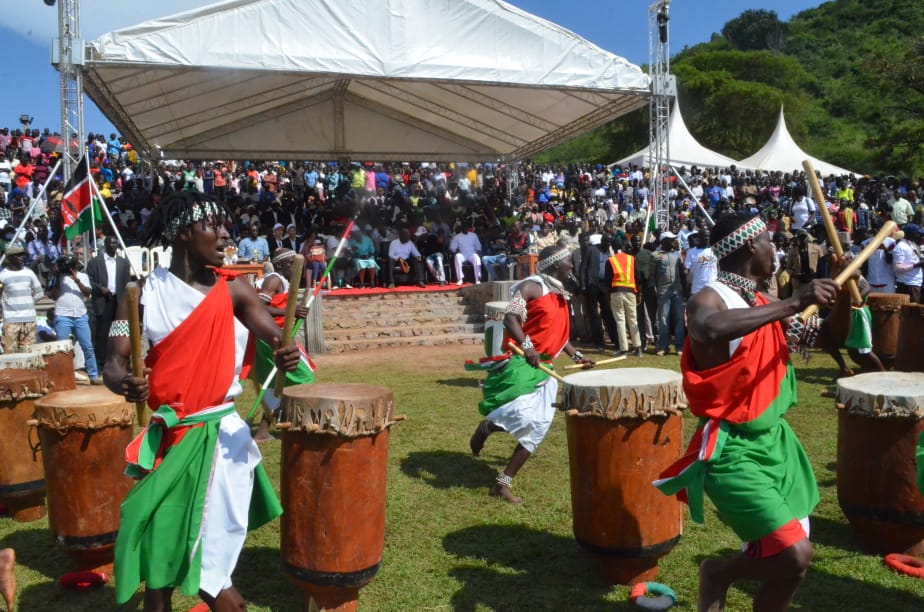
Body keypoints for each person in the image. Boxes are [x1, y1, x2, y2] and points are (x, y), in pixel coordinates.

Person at [102, 191, 301, 611]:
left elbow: (274, 337)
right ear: (182, 234)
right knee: (159, 549)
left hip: (221, 443)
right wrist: (126, 385)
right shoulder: (139, 295)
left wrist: (286, 351)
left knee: (210, 565)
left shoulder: (236, 292)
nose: (226, 234)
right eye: (213, 226)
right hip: (170, 441)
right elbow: (112, 366)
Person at [655, 212, 838, 612]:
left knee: (792, 569)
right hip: (731, 450)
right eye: (770, 241)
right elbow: (708, 328)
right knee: (795, 554)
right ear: (749, 246)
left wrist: (840, 295)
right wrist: (793, 302)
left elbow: (823, 335)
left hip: (777, 444)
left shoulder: (762, 301)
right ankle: (719, 573)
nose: (776, 249)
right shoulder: (708, 298)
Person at [468, 245, 594, 504]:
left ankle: (503, 483)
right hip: (521, 362)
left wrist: (578, 357)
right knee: (522, 416)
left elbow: (559, 334)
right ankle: (489, 426)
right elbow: (511, 318)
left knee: (538, 427)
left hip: (544, 368)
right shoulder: (531, 286)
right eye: (568, 262)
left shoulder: (560, 293)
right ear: (556, 264)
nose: (572, 266)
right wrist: (528, 348)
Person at [252, 248, 316, 442]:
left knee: (277, 384)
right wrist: (290, 312)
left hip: (278, 336)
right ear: (278, 265)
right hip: (270, 338)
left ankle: (264, 430)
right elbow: (257, 308)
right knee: (304, 378)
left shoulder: (282, 281)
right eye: (290, 264)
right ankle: (304, 423)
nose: (294, 267)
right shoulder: (274, 279)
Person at [47, 254, 103, 385]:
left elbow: (88, 293)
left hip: (80, 316)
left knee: (87, 347)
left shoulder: (83, 276)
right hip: (62, 315)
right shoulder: (58, 278)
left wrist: (76, 279)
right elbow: (53, 296)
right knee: (62, 349)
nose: (68, 269)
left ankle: (93, 376)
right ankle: (63, 377)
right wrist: (56, 276)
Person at [87, 235, 131, 365]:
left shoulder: (123, 262)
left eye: (115, 243)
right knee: (103, 332)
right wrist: (101, 289)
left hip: (119, 300)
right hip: (103, 299)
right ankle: (101, 361)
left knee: (120, 331)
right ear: (105, 245)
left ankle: (119, 361)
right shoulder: (95, 262)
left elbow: (127, 281)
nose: (113, 245)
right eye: (111, 243)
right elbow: (88, 279)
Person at [0, 244, 44, 352]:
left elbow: (39, 293)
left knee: (29, 354)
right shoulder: (2, 276)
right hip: (11, 321)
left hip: (29, 320)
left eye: (22, 254)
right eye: (18, 255)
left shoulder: (29, 273)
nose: (21, 257)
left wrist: (29, 303)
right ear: (9, 258)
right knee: (10, 355)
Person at [604, 243, 642, 357]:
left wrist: (608, 295)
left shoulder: (610, 260)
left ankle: (623, 349)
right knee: (633, 319)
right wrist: (639, 294)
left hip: (616, 292)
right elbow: (638, 278)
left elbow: (607, 281)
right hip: (631, 292)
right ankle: (638, 348)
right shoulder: (632, 259)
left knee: (620, 321)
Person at [654, 231, 687, 356]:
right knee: (663, 319)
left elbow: (682, 274)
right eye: (671, 239)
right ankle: (663, 346)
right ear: (663, 241)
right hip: (663, 292)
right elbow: (653, 275)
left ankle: (679, 347)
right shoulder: (656, 255)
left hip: (677, 291)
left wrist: (685, 290)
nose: (674, 241)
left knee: (679, 319)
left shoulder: (677, 255)